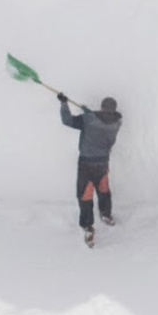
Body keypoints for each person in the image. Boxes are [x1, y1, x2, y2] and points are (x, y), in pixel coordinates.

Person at [59, 93, 123, 246]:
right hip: (102, 163)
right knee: (103, 189)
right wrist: (88, 112)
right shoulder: (116, 123)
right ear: (113, 111)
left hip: (86, 164)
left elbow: (67, 120)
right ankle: (106, 215)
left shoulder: (89, 120)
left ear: (101, 107)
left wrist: (64, 104)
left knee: (85, 195)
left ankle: (88, 226)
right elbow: (100, 120)